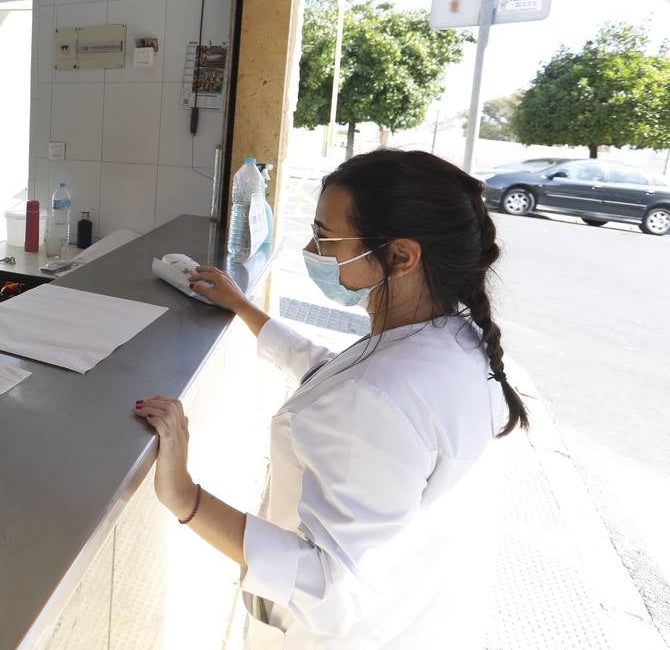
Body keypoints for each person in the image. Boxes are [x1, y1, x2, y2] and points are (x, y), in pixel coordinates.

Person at [135, 149, 527, 648]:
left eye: (326, 236)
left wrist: (183, 496)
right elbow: (331, 374)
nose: (312, 248)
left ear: (401, 255)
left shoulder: (379, 394)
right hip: (414, 617)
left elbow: (329, 587)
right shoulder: (451, 338)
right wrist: (243, 307)